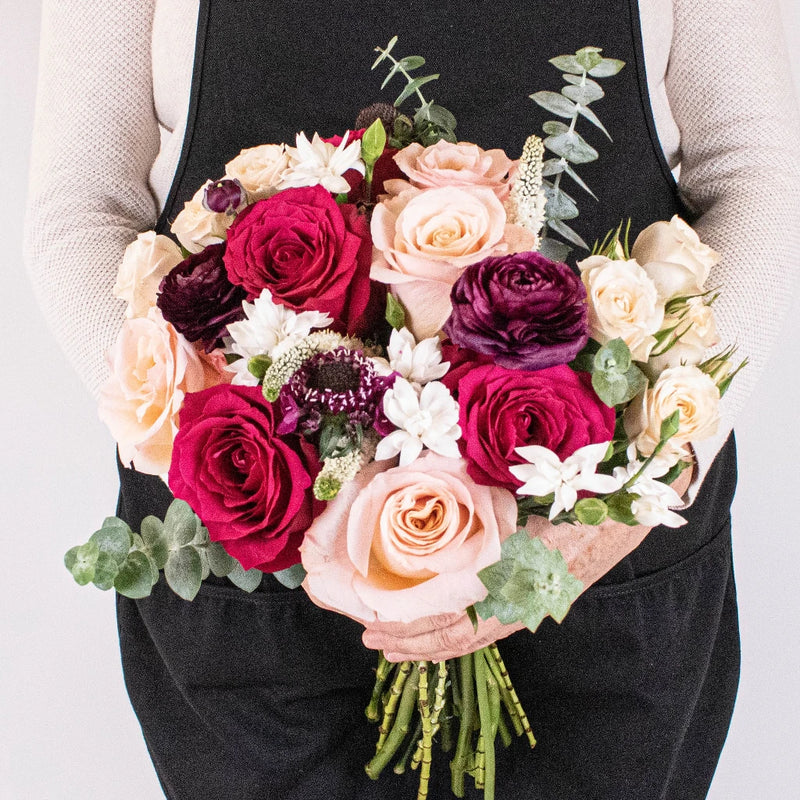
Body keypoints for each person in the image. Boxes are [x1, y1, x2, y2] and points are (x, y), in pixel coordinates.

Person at [24, 0, 800, 798]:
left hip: (596, 556)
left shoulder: (610, 526)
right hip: (259, 577)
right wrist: (237, 438)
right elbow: (81, 209)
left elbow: (754, 175)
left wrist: (644, 486)